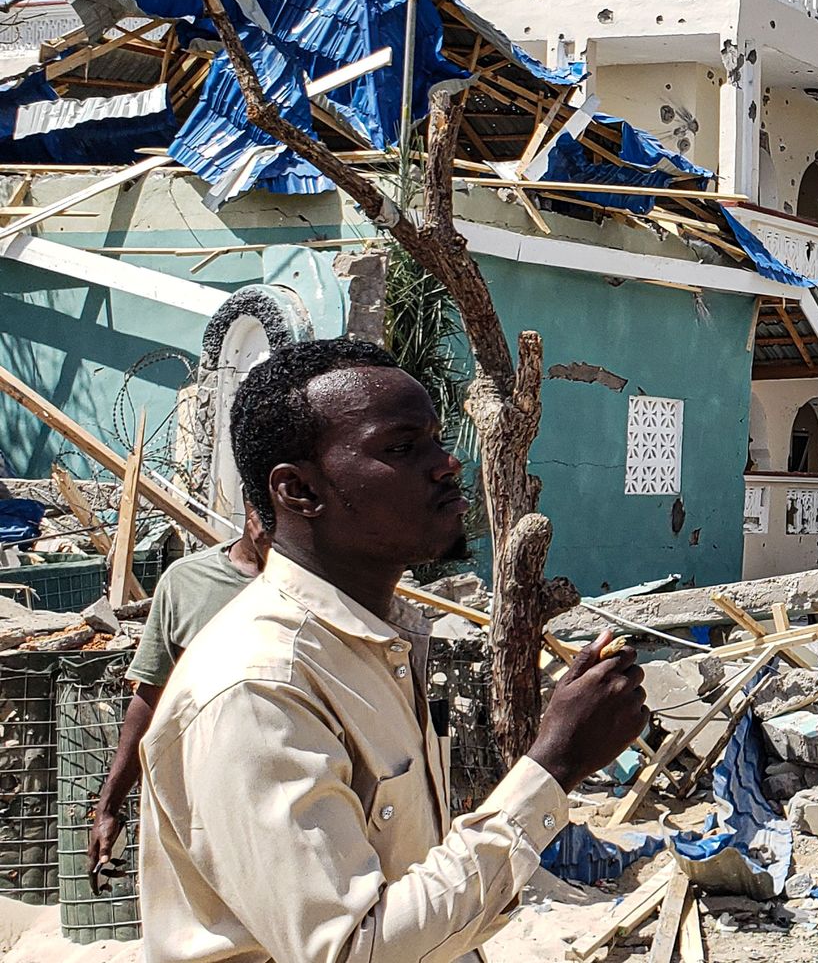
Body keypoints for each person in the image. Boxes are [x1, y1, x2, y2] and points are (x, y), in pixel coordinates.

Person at [138, 338, 650, 962]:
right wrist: (553, 767)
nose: (447, 465)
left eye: (436, 440)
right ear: (299, 491)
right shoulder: (258, 686)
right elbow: (354, 949)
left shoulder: (372, 645)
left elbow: (410, 887)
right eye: (402, 449)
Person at [87, 507, 271, 883]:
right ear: (251, 508)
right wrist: (109, 805)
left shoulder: (326, 585)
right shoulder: (189, 583)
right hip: (209, 811)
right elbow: (153, 695)